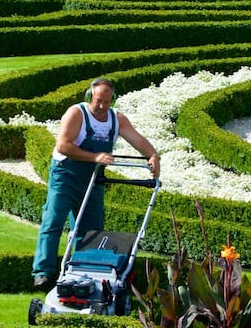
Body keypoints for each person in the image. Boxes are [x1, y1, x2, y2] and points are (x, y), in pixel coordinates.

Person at [32, 77, 160, 289]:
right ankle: (43, 273)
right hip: (65, 175)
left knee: (91, 229)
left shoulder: (116, 119)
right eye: (98, 101)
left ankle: (80, 271)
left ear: (113, 100)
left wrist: (153, 156)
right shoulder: (77, 113)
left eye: (106, 102)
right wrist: (94, 157)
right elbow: (63, 145)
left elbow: (137, 140)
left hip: (94, 179)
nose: (101, 106)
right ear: (89, 96)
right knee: (53, 221)